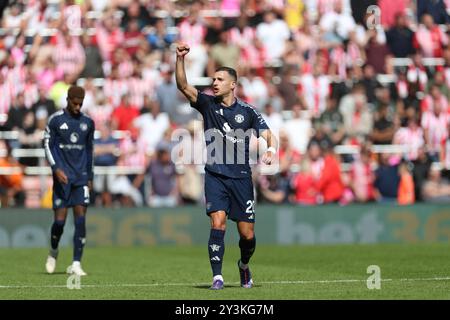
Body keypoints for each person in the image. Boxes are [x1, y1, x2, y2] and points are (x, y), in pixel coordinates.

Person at [175, 43, 278, 290]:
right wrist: (179, 59)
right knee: (217, 222)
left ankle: (243, 266)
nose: (215, 82)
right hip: (215, 175)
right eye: (213, 79)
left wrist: (271, 150)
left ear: (233, 84)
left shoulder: (248, 111)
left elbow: (268, 135)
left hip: (241, 178)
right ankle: (217, 276)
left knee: (247, 235)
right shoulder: (207, 104)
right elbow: (183, 86)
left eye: (220, 79)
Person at [43, 86, 95, 276]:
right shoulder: (56, 120)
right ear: (68, 100)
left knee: (81, 220)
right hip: (62, 179)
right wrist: (56, 169)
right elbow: (47, 145)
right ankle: (54, 250)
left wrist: (90, 176)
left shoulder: (88, 122)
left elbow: (90, 151)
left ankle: (76, 264)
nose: (78, 106)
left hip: (80, 178)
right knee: (59, 223)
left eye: (81, 103)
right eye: (75, 103)